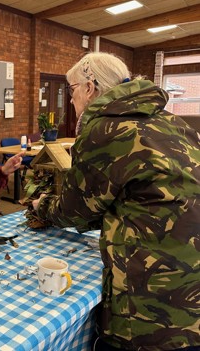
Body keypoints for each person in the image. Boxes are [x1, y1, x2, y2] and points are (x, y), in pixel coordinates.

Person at [32, 52, 200, 351]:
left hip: (150, 306)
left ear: (89, 87)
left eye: (71, 90)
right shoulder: (172, 123)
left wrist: (41, 205)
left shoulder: (104, 131)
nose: (71, 100)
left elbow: (74, 211)